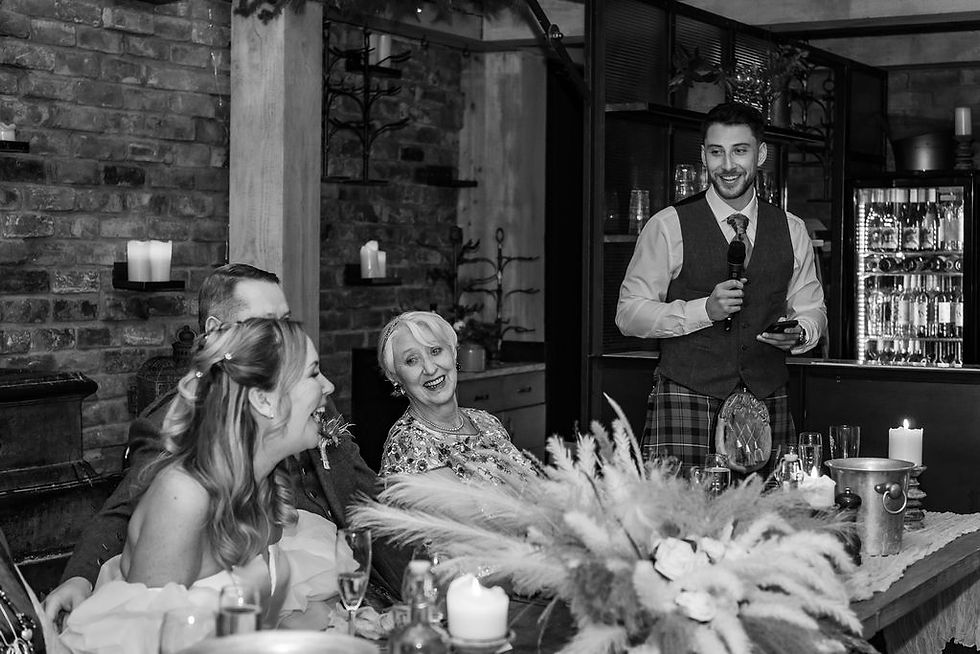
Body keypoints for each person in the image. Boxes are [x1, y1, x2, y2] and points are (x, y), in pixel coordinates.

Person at [43, 264, 408, 624]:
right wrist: (80, 576)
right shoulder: (182, 449)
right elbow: (126, 517)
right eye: (266, 324)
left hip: (332, 577)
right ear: (218, 332)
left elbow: (367, 495)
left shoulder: (278, 453)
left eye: (285, 320)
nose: (282, 334)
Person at [59, 318, 346, 652]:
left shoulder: (262, 482)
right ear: (264, 401)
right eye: (313, 373)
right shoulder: (184, 496)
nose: (329, 387)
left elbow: (264, 616)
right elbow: (147, 641)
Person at [615, 102, 827, 472]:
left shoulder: (792, 229)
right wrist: (703, 311)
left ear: (760, 154)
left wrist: (800, 332)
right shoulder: (668, 226)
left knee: (773, 524)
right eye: (716, 152)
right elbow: (628, 313)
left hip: (766, 401)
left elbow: (812, 308)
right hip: (686, 397)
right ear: (703, 155)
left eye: (739, 151)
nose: (727, 165)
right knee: (679, 525)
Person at [376, 311, 534, 482]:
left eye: (435, 351)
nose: (430, 369)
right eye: (412, 360)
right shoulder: (407, 444)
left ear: (453, 353)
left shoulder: (486, 421)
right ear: (395, 376)